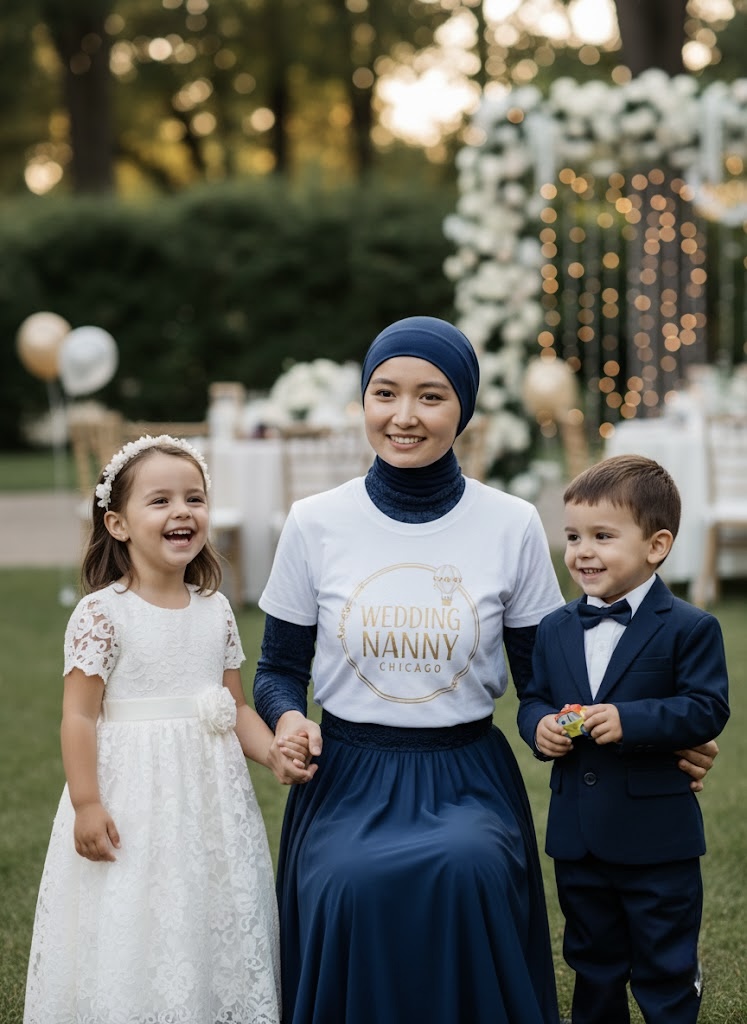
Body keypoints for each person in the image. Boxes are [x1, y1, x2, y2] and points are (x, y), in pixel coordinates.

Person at [254, 317, 718, 1024]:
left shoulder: (510, 523)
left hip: (464, 776)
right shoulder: (314, 521)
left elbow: (554, 679)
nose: (404, 416)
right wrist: (288, 718)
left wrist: (658, 731)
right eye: (385, 393)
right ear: (364, 401)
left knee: (468, 866)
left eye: (430, 397)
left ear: (462, 410)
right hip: (347, 777)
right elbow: (276, 670)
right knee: (348, 881)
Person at [24, 434, 313, 1024]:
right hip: (134, 797)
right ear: (118, 523)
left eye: (195, 498)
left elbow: (232, 708)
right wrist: (85, 802)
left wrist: (273, 753)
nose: (183, 511)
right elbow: (78, 714)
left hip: (210, 802)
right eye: (160, 501)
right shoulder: (103, 613)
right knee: (139, 910)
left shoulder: (216, 609)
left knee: (209, 905)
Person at [517, 454, 730, 1024]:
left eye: (603, 536)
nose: (582, 551)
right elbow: (533, 698)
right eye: (573, 536)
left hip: (658, 841)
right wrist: (538, 728)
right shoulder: (556, 627)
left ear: (656, 546)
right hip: (579, 840)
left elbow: (707, 707)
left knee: (664, 963)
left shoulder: (689, 626)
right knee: (594, 961)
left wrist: (630, 721)